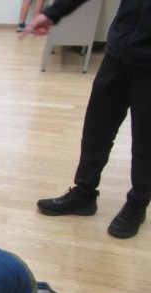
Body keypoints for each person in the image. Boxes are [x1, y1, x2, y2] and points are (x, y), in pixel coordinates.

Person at [24, 0, 150, 239]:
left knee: (145, 142)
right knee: (96, 130)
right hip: (118, 52)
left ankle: (137, 204)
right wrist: (52, 14)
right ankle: (84, 194)